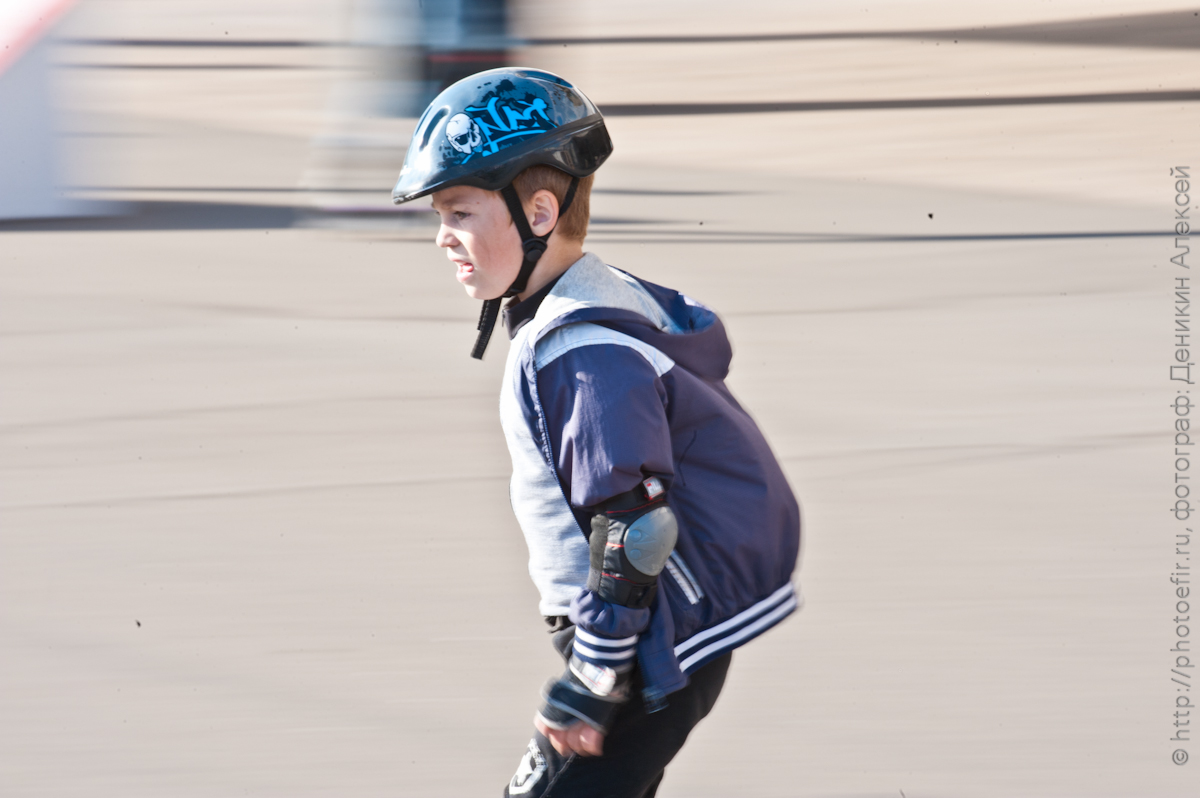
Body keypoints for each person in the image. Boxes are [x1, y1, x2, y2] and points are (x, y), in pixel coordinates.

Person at [391, 68, 802, 798]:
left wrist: (595, 676)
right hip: (647, 632)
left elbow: (634, 528)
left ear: (538, 212)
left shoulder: (580, 352)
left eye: (460, 212)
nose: (444, 237)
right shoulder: (602, 294)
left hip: (641, 643)